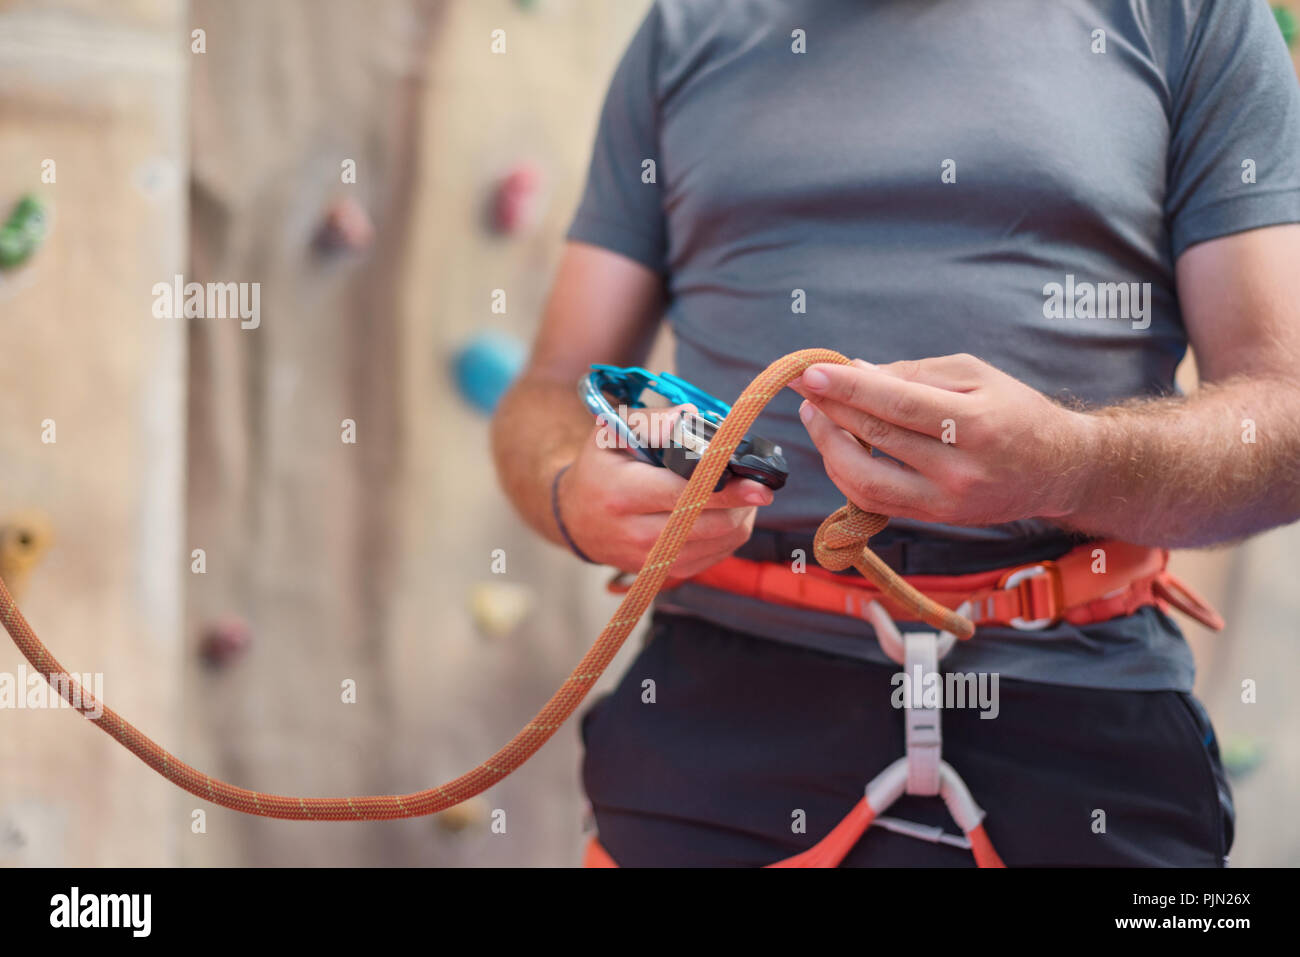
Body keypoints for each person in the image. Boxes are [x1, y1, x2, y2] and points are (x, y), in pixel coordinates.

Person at [491, 0, 1300, 866]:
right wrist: (569, 489)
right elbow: (547, 390)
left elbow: (1284, 423)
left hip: (1079, 698)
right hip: (720, 697)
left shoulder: (1189, 18)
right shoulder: (685, 33)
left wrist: (1071, 466)